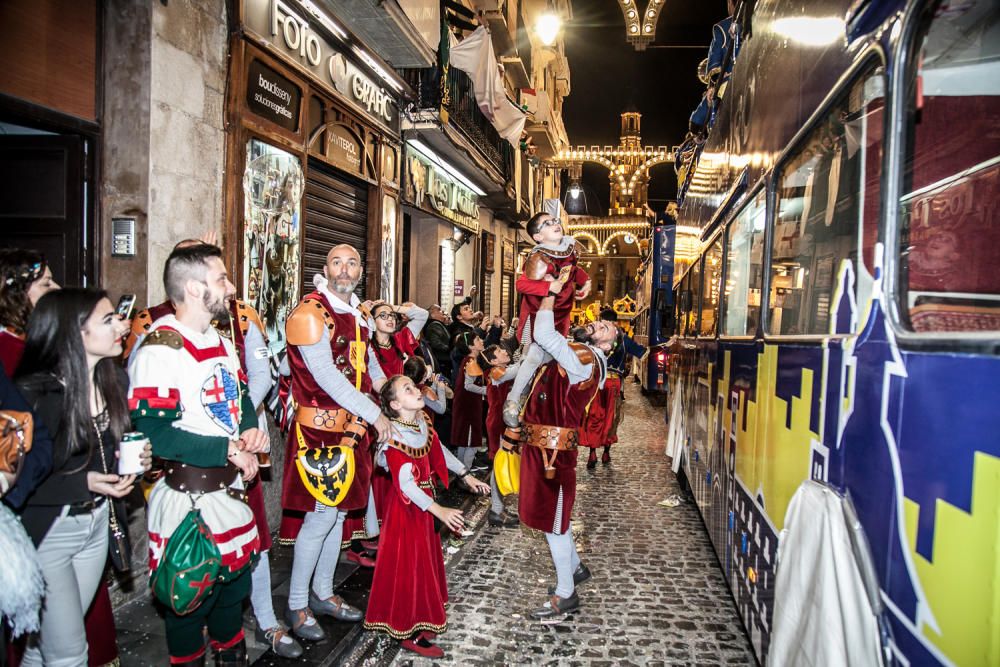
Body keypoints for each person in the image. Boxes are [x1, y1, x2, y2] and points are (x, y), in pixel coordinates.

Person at [122, 239, 299, 658]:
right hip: (188, 503)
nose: (232, 288)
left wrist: (252, 432)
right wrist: (227, 450)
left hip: (229, 495)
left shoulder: (220, 342)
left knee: (230, 600)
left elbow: (237, 401)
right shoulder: (160, 348)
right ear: (196, 289)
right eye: (221, 278)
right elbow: (155, 433)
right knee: (187, 600)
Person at [16, 289, 152, 666]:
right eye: (108, 320)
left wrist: (139, 462)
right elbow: (17, 480)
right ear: (74, 333)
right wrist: (86, 482)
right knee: (70, 654)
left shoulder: (114, 382)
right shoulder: (35, 393)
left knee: (41, 646)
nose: (122, 325)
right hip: (50, 531)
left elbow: (111, 455)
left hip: (96, 526)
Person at [280, 244, 391, 643]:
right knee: (322, 517)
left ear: (361, 270)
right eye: (336, 262)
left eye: (352, 262)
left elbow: (368, 363)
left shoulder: (358, 313)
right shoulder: (310, 314)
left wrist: (389, 389)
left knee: (341, 517)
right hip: (320, 433)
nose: (344, 269)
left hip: (352, 430)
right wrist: (376, 413)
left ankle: (324, 593)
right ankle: (296, 604)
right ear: (324, 269)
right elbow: (328, 377)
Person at [363, 375, 490, 658]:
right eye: (407, 389)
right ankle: (408, 630)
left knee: (425, 563)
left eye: (413, 384)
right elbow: (406, 485)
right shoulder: (394, 436)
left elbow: (438, 450)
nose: (415, 389)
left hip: (424, 505)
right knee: (410, 567)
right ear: (395, 404)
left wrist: (465, 475)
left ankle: (425, 611)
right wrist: (439, 510)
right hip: (406, 511)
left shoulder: (420, 421)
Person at [515, 280, 617, 619]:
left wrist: (548, 293)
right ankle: (574, 569)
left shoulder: (584, 357)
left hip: (553, 455)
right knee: (548, 518)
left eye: (602, 327)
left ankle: (566, 594)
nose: (594, 324)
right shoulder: (579, 351)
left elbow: (544, 334)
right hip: (543, 448)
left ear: (606, 343)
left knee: (554, 522)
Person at [580, 309, 646, 468]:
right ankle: (606, 453)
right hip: (614, 384)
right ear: (616, 321)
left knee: (594, 416)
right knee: (611, 418)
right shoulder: (623, 339)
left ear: (602, 320)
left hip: (596, 383)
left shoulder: (594, 337)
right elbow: (643, 352)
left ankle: (592, 454)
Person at [514, 212, 591, 343]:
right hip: (542, 319)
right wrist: (549, 286)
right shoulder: (539, 258)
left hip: (563, 315)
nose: (555, 224)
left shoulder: (568, 250)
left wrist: (586, 282)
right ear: (538, 236)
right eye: (547, 224)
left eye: (555, 221)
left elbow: (573, 269)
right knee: (540, 359)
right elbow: (520, 285)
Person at [477, 345, 520, 527]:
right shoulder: (496, 373)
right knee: (499, 464)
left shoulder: (501, 370)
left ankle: (498, 507)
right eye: (500, 352)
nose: (505, 351)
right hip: (498, 424)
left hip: (503, 422)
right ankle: (495, 510)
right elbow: (516, 371)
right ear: (493, 361)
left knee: (503, 463)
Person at [0, 249, 59, 377]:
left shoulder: (33, 337)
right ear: (18, 293)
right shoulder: (6, 345)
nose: (57, 288)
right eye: (46, 284)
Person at [449, 331, 485, 472]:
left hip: (468, 406)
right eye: (477, 339)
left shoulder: (469, 360)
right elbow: (468, 386)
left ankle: (462, 474)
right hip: (469, 407)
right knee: (471, 442)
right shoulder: (470, 361)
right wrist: (488, 391)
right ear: (471, 346)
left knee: (464, 442)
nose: (481, 340)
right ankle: (466, 474)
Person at [422, 305, 452, 377]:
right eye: (439, 310)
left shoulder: (438, 325)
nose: (443, 312)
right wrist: (451, 349)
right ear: (432, 315)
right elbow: (436, 343)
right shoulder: (434, 325)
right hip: (442, 361)